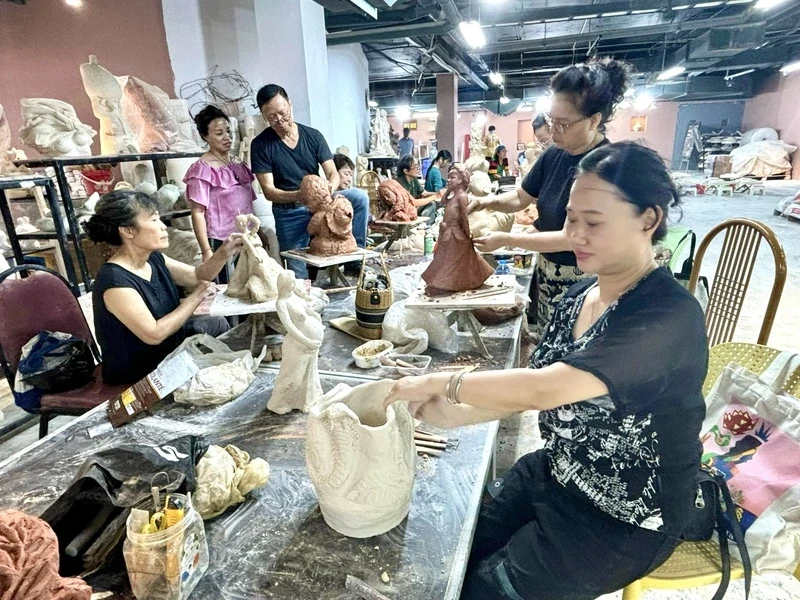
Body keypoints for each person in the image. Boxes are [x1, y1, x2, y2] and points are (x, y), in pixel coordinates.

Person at [386, 141, 708, 600]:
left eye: (593, 222)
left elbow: (543, 388)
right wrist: (453, 414)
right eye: (571, 218)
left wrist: (441, 382)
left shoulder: (667, 316)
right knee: (449, 545)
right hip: (558, 470)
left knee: (484, 589)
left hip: (625, 514)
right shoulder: (577, 297)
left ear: (649, 219)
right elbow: (529, 395)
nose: (575, 234)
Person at [472, 57, 632, 337]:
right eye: (551, 121)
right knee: (549, 339)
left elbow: (571, 237)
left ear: (594, 120)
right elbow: (522, 197)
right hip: (548, 270)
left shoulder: (606, 167)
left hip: (586, 279)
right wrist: (485, 202)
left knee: (575, 348)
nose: (554, 130)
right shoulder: (554, 153)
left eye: (564, 124)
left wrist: (508, 241)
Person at [85, 191, 242, 386]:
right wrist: (196, 297)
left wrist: (224, 252)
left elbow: (197, 275)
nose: (163, 227)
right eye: (153, 220)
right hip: (139, 372)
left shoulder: (153, 259)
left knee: (216, 324)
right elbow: (154, 334)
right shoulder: (114, 281)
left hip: (166, 353)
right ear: (127, 231)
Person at [250, 84, 369, 278]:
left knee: (358, 196)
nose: (279, 120)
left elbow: (333, 173)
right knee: (296, 275)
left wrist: (328, 189)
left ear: (290, 105)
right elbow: (269, 191)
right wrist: (302, 195)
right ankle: (305, 296)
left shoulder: (313, 136)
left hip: (321, 205)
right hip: (288, 211)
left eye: (283, 113)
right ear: (264, 117)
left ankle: (354, 261)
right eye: (272, 117)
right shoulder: (261, 145)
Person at [184, 105, 256, 284]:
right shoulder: (201, 169)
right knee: (229, 289)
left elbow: (248, 204)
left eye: (228, 131)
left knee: (251, 286)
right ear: (205, 136)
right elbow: (198, 212)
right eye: (219, 133)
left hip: (247, 236)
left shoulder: (237, 163)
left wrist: (257, 232)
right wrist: (207, 250)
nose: (227, 138)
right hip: (222, 241)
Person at [395, 154, 440, 220]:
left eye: (418, 166)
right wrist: (435, 196)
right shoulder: (399, 183)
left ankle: (424, 225)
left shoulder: (413, 179)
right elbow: (413, 202)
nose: (418, 169)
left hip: (413, 207)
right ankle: (422, 225)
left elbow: (424, 194)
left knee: (432, 204)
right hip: (405, 211)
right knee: (432, 203)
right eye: (415, 167)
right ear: (406, 171)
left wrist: (440, 194)